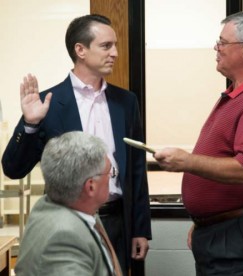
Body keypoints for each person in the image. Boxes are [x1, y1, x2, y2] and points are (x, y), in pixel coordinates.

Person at [1, 14, 151, 275]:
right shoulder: (49, 102)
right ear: (80, 50)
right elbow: (13, 168)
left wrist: (140, 229)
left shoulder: (127, 102)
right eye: (106, 46)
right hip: (68, 222)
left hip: (119, 221)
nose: (115, 53)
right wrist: (30, 124)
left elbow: (136, 171)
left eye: (114, 45)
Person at [154, 11, 243, 276]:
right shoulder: (240, 94)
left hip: (240, 233)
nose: (216, 48)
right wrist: (206, 220)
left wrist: (186, 161)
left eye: (222, 42)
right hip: (226, 227)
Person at [15, 131, 122, 276]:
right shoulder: (64, 238)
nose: (111, 178)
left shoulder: (54, 204)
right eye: (110, 173)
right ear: (91, 187)